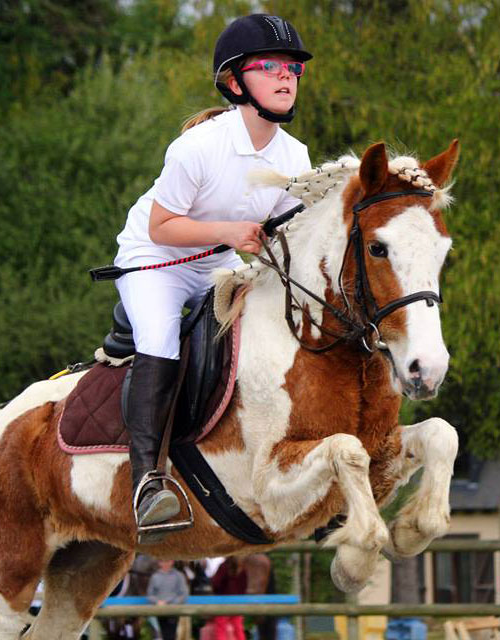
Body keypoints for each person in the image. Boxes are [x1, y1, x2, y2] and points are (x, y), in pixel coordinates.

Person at [113, 13, 313, 534]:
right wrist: (231, 233)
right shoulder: (198, 146)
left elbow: (286, 233)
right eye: (270, 66)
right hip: (155, 260)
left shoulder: (296, 156)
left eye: (293, 67)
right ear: (234, 81)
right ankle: (146, 484)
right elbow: (161, 227)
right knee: (160, 338)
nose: (286, 76)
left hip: (220, 261)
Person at [146, 559, 189, 640]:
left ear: (172, 561)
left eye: (167, 561)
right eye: (163, 561)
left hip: (173, 610)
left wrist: (171, 603)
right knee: (160, 634)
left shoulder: (179, 576)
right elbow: (150, 595)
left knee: (170, 635)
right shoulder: (154, 577)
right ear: (159, 562)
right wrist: (158, 602)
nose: (165, 563)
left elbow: (184, 594)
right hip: (159, 610)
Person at [211, 557, 248, 640]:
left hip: (222, 602)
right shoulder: (242, 569)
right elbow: (245, 587)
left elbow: (216, 583)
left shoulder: (223, 567)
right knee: (238, 628)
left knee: (221, 628)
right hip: (237, 603)